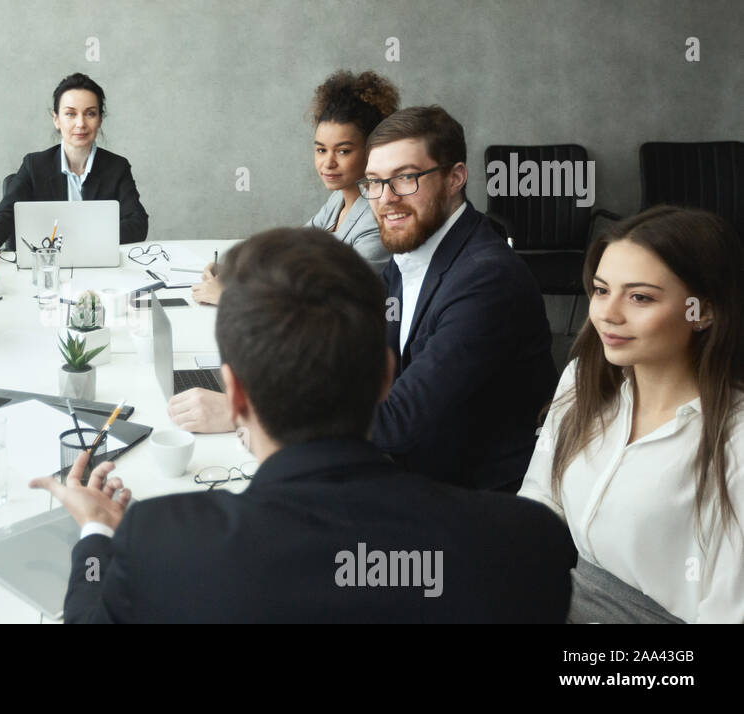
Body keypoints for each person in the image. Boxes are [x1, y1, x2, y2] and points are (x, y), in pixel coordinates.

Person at [33, 228, 575, 623]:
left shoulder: (160, 542)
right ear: (387, 377)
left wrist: (97, 535)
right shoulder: (530, 544)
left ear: (235, 393)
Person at [171, 106, 556, 494]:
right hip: (409, 463)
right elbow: (358, 366)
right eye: (373, 181)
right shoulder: (412, 251)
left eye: (406, 178)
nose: (385, 199)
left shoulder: (485, 279)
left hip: (466, 499)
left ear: (455, 178)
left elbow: (398, 421)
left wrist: (253, 413)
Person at [519, 206, 744, 623]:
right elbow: (539, 502)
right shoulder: (583, 378)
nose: (608, 313)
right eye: (602, 290)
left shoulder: (734, 440)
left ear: (704, 312)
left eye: (640, 297)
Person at [191, 70, 397, 305]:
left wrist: (231, 296)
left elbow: (328, 298)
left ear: (372, 150)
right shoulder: (338, 201)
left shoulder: (379, 217)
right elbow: (290, 253)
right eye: (321, 150)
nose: (328, 163)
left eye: (343, 151)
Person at [0, 72, 149, 254]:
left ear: (100, 119)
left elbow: (137, 223)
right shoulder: (34, 165)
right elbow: (7, 213)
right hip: (45, 266)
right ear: (56, 119)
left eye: (90, 114)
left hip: (98, 263)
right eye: (70, 114)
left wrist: (79, 238)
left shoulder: (117, 167)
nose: (80, 123)